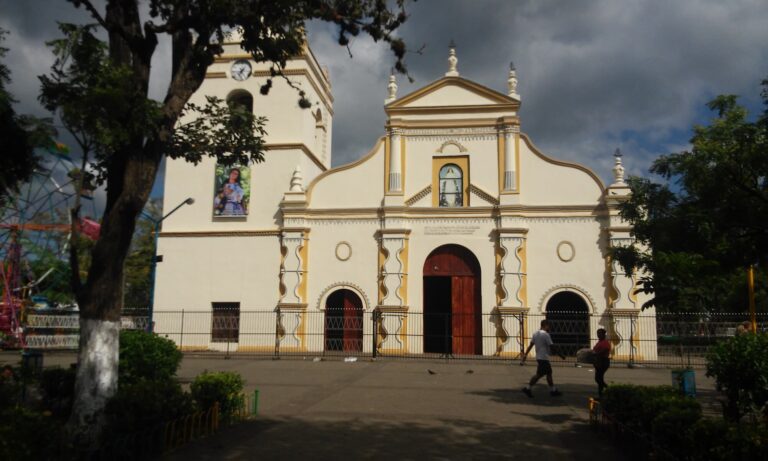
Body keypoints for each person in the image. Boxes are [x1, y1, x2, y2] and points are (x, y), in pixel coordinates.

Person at [521, 319, 565, 397]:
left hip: (539, 357)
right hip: (543, 357)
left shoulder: (535, 334)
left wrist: (525, 354)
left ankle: (553, 390)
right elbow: (552, 346)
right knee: (539, 375)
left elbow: (531, 345)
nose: (549, 328)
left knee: (548, 373)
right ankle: (528, 388)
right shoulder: (546, 335)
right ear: (546, 325)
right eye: (549, 326)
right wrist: (560, 355)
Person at [593, 328, 611, 398]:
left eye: (600, 333)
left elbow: (606, 349)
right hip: (598, 362)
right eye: (598, 333)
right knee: (599, 379)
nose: (598, 335)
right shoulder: (599, 342)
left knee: (599, 379)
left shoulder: (605, 342)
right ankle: (601, 395)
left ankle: (609, 390)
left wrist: (597, 354)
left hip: (603, 361)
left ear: (604, 334)